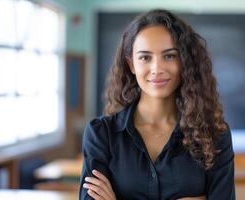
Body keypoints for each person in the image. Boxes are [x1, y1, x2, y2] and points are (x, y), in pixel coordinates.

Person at [79, 9, 235, 200]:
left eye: (169, 56)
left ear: (185, 62)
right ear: (131, 65)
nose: (157, 69)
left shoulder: (214, 136)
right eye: (145, 57)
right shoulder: (101, 134)